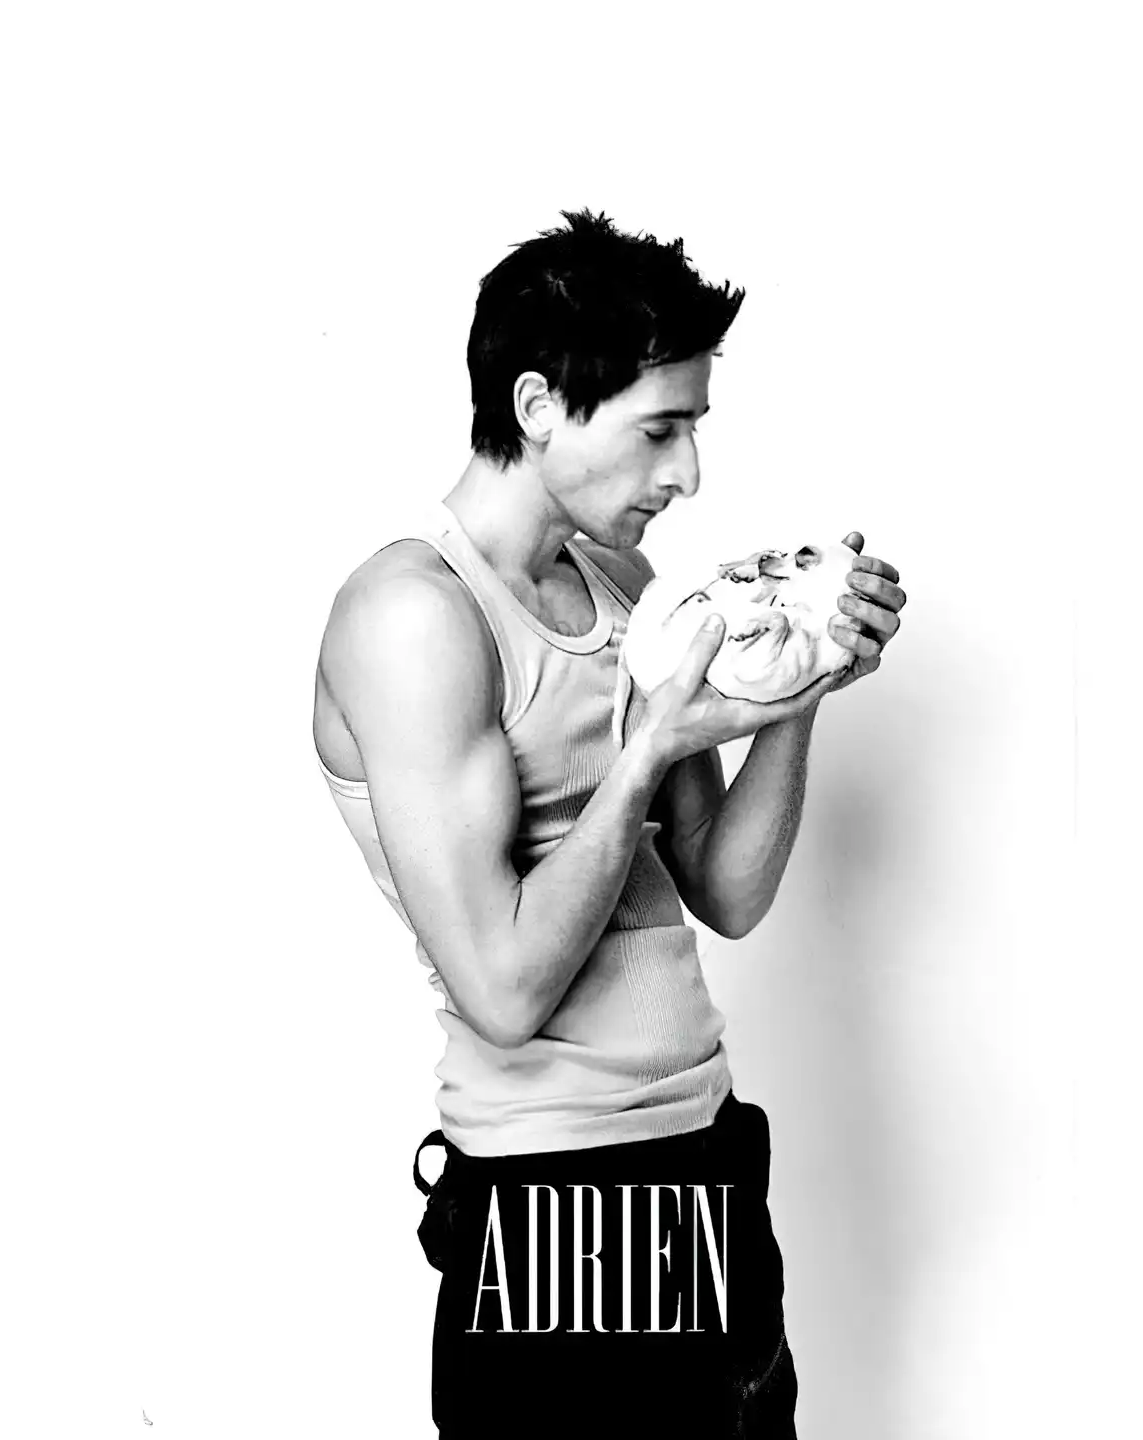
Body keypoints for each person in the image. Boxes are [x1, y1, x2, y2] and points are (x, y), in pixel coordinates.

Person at [311, 209, 906, 1438]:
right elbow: (503, 988)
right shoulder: (414, 618)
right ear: (538, 406)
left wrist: (801, 685)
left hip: (705, 1158)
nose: (688, 474)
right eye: (659, 430)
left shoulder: (626, 589)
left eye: (693, 428)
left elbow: (726, 892)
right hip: (554, 1201)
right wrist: (647, 750)